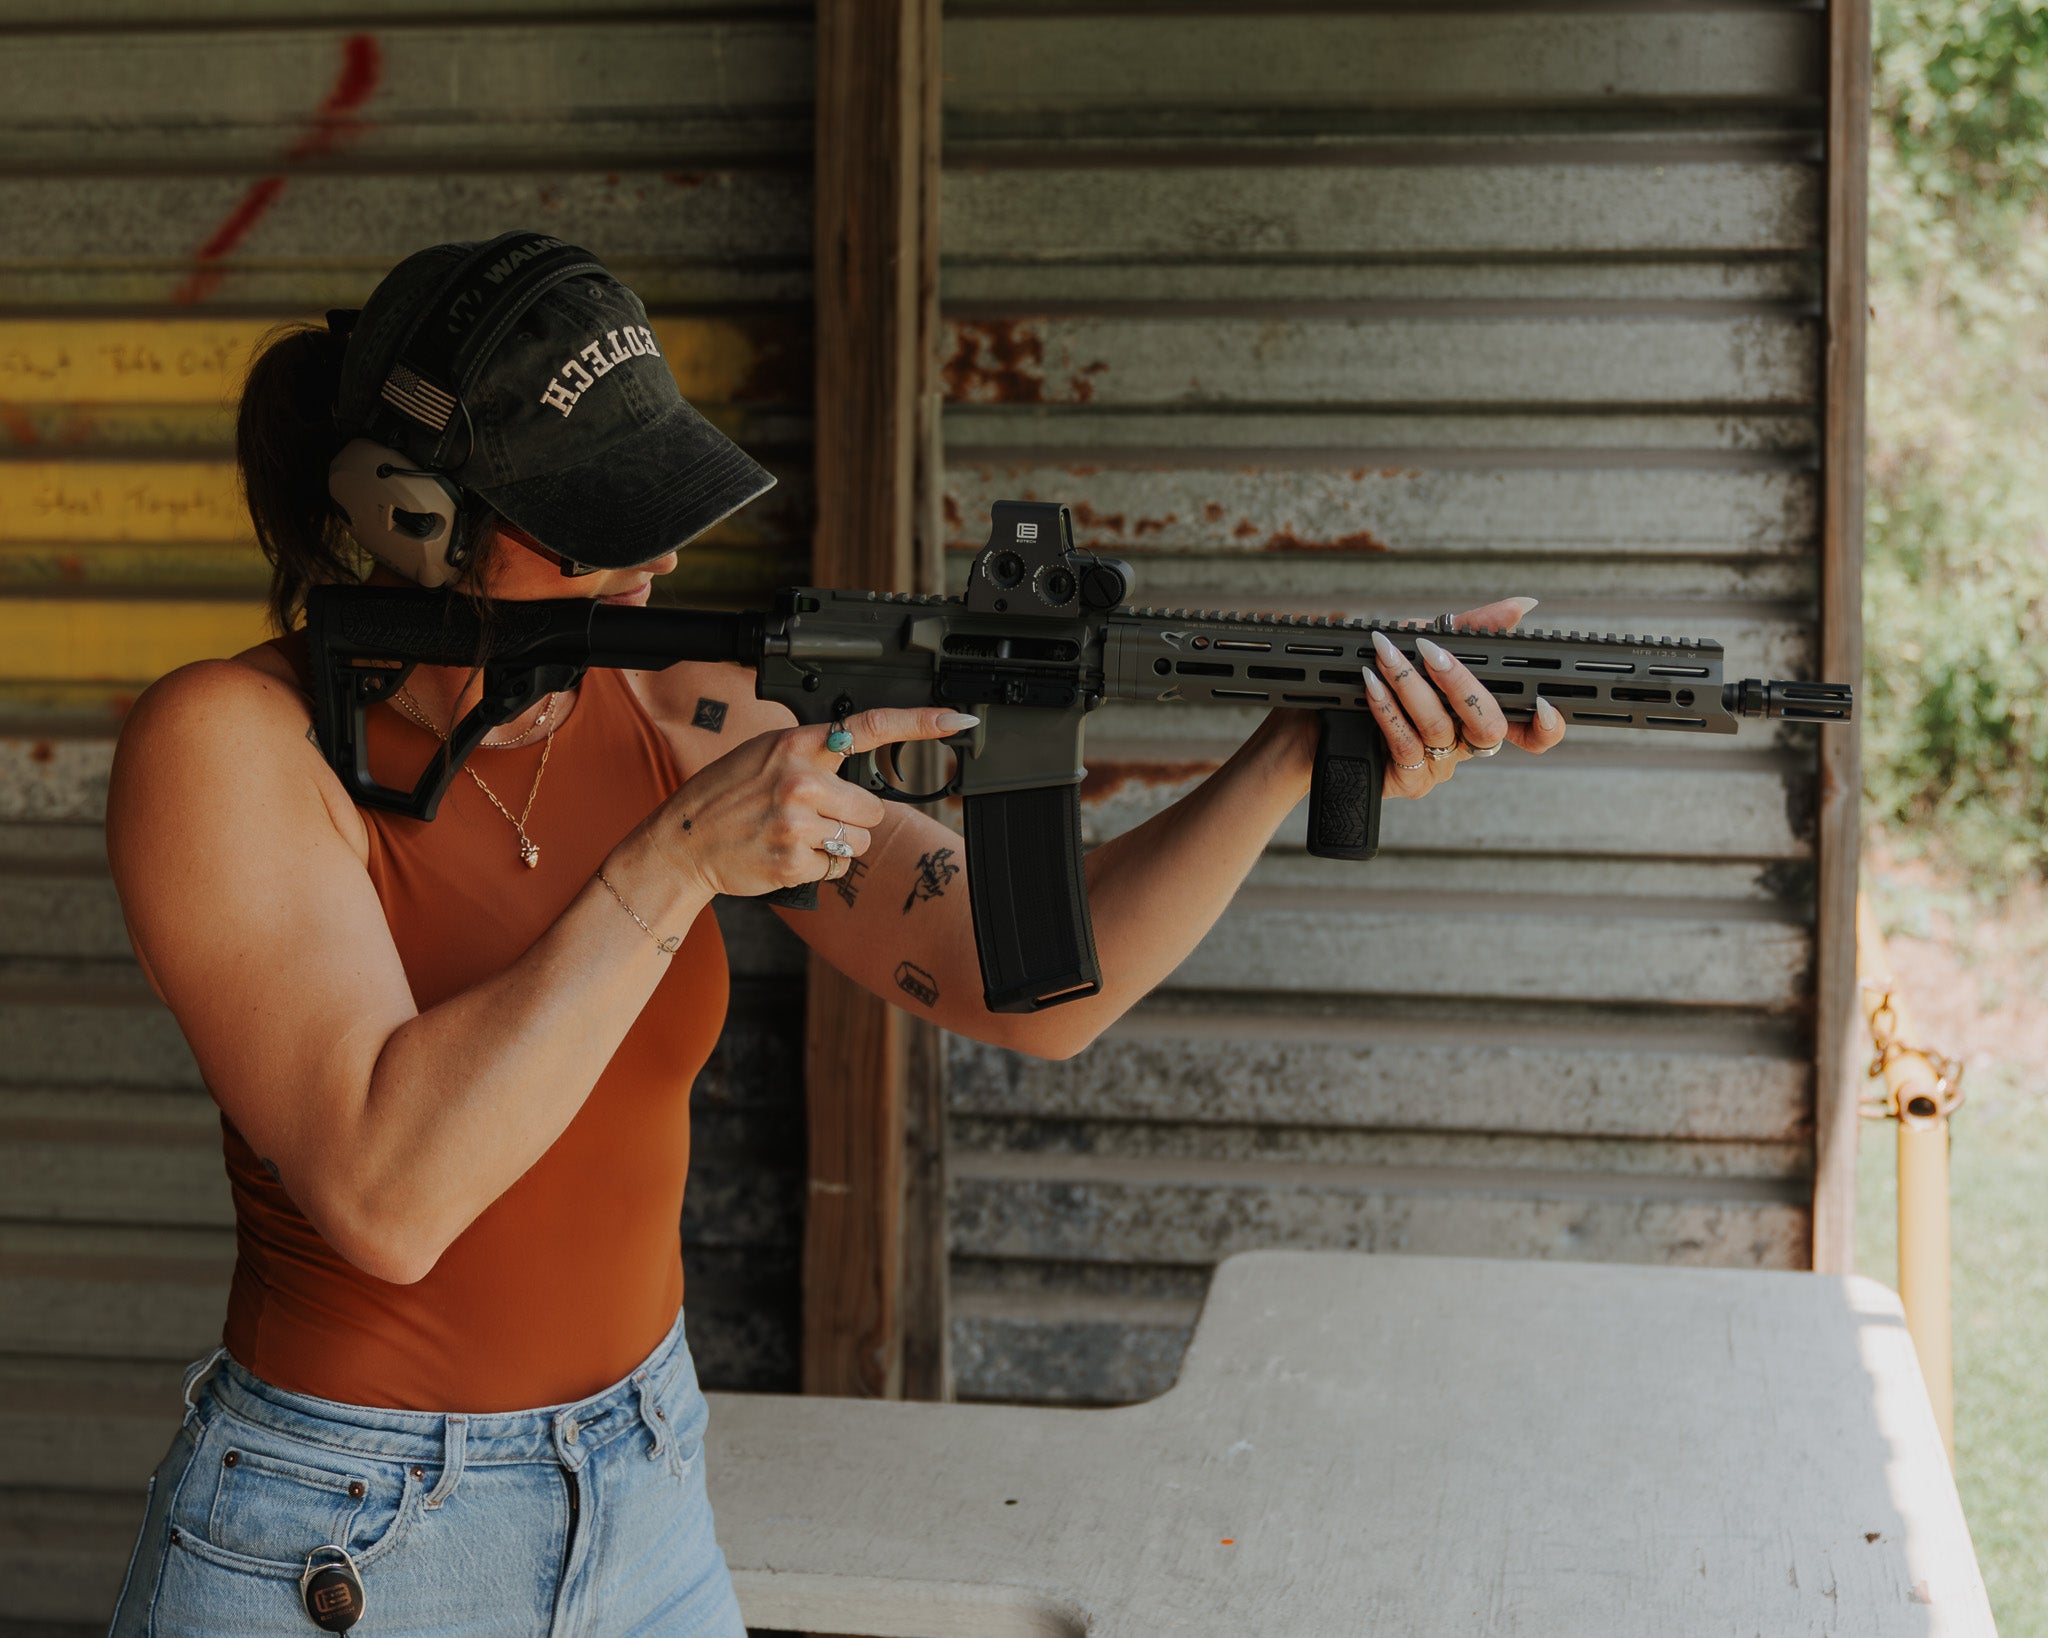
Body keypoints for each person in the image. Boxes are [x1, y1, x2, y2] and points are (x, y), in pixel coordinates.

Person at [102, 233, 1566, 1636]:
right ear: (408, 521)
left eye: (655, 525)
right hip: (346, 1545)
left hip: (645, 1489)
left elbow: (1035, 987)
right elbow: (388, 1192)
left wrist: (1293, 750)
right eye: (593, 537)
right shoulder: (231, 742)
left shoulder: (671, 706)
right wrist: (670, 865)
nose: (650, 577)